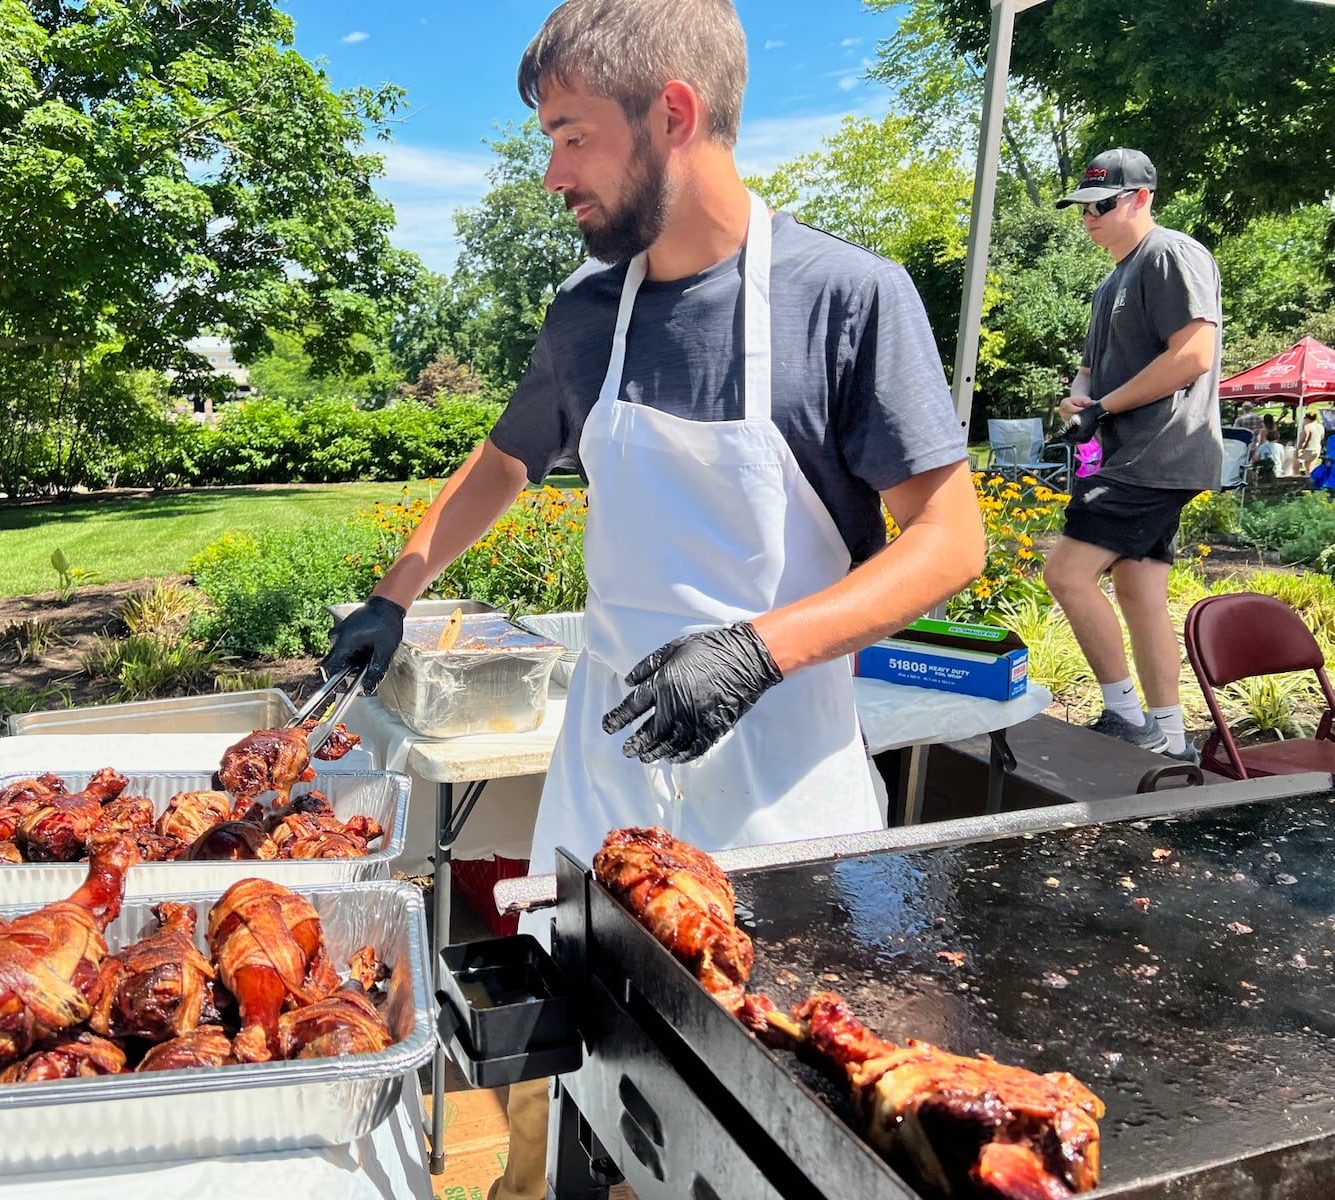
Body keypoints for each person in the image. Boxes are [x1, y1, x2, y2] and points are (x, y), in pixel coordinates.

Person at [321, 2, 984, 1195]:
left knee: (769, 1121)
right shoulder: (587, 315)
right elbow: (502, 463)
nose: (549, 172)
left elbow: (947, 543)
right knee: (576, 1103)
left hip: (782, 806)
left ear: (670, 113)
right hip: (606, 781)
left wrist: (754, 650)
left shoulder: (848, 297)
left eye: (570, 135)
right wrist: (393, 592)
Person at [1046, 148, 1222, 765]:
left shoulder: (1171, 254)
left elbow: (1194, 354)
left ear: (1141, 197)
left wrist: (1106, 408)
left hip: (1158, 452)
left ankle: (1122, 716)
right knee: (1138, 588)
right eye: (1082, 208)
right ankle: (1170, 737)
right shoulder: (1110, 281)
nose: (1089, 217)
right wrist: (1078, 399)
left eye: (1102, 204)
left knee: (1065, 574)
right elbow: (1091, 371)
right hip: (1137, 453)